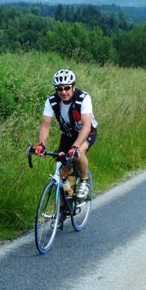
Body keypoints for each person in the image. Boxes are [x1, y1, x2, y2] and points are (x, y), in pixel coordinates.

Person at [33, 69, 97, 200]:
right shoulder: (52, 101)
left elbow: (86, 126)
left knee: (77, 154)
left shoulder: (83, 98)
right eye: (59, 89)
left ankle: (84, 181)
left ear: (73, 87)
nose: (63, 92)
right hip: (68, 135)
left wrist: (75, 147)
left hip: (87, 132)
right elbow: (45, 125)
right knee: (62, 172)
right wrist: (41, 144)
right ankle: (65, 203)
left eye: (67, 88)